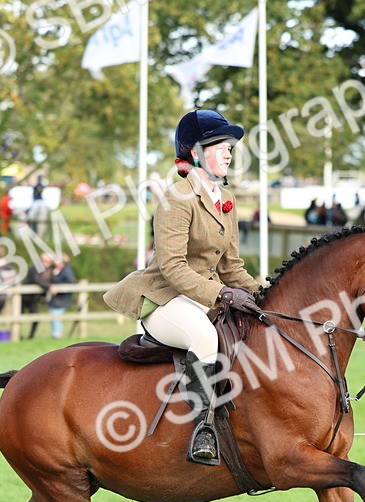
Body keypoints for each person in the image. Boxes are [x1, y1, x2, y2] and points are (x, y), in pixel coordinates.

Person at [103, 108, 263, 465]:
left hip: (202, 298)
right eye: (220, 146)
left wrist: (264, 293)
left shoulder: (227, 200)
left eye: (230, 148)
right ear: (195, 152)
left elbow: (231, 266)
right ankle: (202, 431)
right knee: (205, 338)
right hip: (163, 300)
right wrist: (221, 294)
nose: (228, 153)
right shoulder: (176, 198)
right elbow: (173, 266)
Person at [47, 253, 78, 339]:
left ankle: (57, 333)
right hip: (56, 298)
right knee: (54, 315)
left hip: (62, 298)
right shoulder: (56, 269)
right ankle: (55, 333)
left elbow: (70, 281)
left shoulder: (66, 270)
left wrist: (58, 287)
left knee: (56, 315)